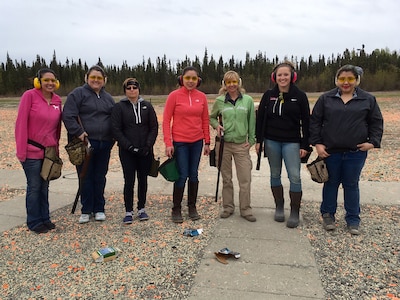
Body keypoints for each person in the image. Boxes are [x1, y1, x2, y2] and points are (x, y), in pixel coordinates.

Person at [309, 65, 383, 235]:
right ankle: (328, 215)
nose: (346, 82)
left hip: (355, 152)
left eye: (350, 79)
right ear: (336, 80)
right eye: (342, 79)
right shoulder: (326, 98)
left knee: (351, 184)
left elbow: (376, 122)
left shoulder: (368, 99)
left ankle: (353, 219)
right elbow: (315, 122)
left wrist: (372, 142)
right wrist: (318, 144)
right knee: (331, 183)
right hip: (330, 151)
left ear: (357, 80)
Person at [255, 61, 311, 228]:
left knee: (294, 176)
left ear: (292, 76)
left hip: (292, 142)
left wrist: (305, 145)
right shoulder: (268, 95)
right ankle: (279, 206)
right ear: (274, 77)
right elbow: (261, 119)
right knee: (274, 174)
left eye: (286, 74)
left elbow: (307, 122)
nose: (282, 77)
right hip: (272, 141)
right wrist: (259, 140)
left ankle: (294, 210)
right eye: (279, 75)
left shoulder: (300, 96)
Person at [63, 65, 115, 224]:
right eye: (93, 77)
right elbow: (68, 116)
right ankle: (86, 209)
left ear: (104, 80)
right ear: (87, 78)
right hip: (84, 144)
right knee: (85, 176)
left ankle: (99, 208)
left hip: (104, 143)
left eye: (99, 78)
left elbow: (115, 118)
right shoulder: (77, 94)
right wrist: (79, 133)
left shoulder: (108, 98)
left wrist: (113, 137)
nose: (96, 80)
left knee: (100, 177)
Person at [15, 68, 62, 234]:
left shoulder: (57, 100)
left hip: (49, 152)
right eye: (46, 80)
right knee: (34, 187)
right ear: (38, 82)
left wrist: (56, 151)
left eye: (52, 80)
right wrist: (21, 152)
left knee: (44, 186)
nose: (50, 83)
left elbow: (57, 129)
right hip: (31, 151)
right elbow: (20, 124)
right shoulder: (29, 96)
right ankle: (34, 221)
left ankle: (45, 218)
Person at [163, 66, 211, 223]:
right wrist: (168, 143)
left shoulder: (202, 97)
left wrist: (207, 142)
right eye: (187, 78)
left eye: (194, 78)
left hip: (197, 141)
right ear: (181, 79)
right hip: (180, 142)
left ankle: (192, 206)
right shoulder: (174, 96)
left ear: (198, 80)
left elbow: (205, 119)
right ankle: (176, 208)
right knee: (182, 175)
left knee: (194, 175)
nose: (190, 81)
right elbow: (166, 121)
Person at [210, 71, 257, 222]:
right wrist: (217, 125)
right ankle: (228, 207)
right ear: (224, 84)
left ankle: (245, 209)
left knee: (245, 178)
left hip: (241, 145)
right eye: (228, 82)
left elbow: (251, 121)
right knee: (227, 178)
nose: (231, 85)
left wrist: (251, 140)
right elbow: (211, 117)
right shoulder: (220, 100)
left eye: (234, 82)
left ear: (239, 83)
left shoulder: (248, 100)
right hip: (223, 144)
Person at [111, 78, 158, 224]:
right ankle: (128, 211)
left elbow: (154, 127)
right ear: (125, 90)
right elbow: (116, 129)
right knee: (129, 180)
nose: (132, 90)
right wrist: (129, 146)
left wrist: (148, 145)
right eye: (129, 88)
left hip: (144, 150)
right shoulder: (119, 107)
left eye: (134, 87)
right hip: (127, 151)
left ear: (138, 89)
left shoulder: (147, 106)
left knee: (142, 180)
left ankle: (141, 208)